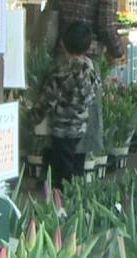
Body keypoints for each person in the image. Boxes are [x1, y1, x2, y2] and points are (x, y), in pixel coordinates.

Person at [26, 21, 102, 187]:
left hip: (62, 130)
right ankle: (76, 197)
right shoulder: (90, 70)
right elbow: (93, 94)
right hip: (81, 127)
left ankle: (62, 199)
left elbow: (48, 100)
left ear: (62, 43)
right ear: (88, 47)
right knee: (77, 168)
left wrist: (33, 116)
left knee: (62, 172)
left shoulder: (60, 73)